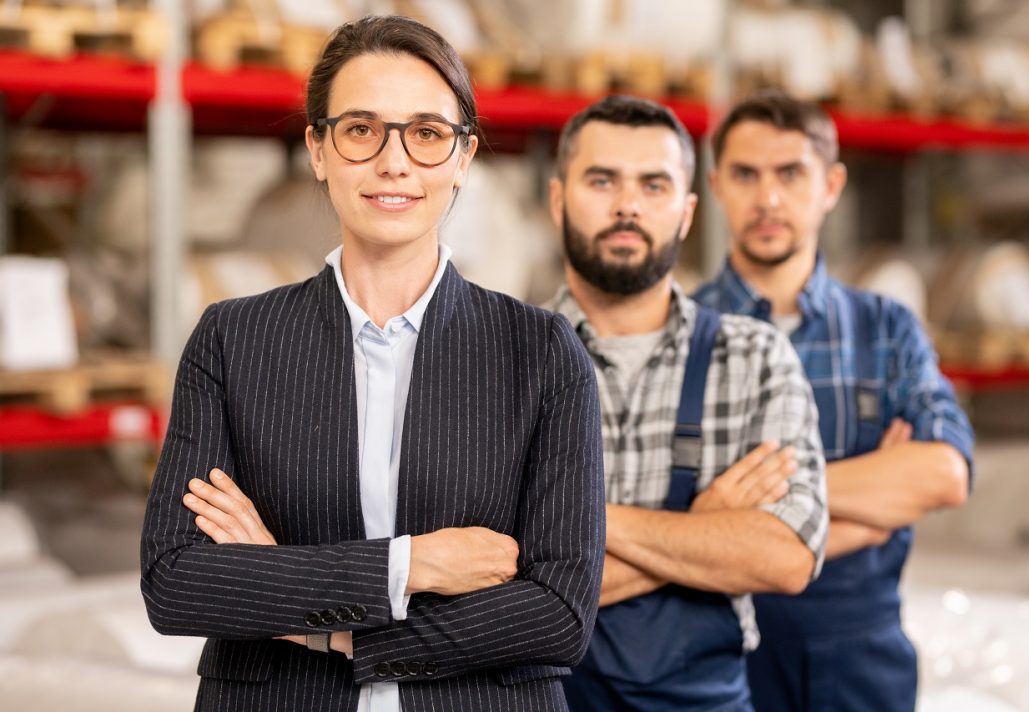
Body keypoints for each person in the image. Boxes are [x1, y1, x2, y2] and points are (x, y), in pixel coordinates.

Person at [140, 16, 605, 712]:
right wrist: (411, 565)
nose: (394, 162)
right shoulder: (234, 340)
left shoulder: (540, 352)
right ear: (318, 150)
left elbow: (559, 614)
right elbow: (177, 582)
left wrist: (318, 620)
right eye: (361, 130)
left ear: (463, 157)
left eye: (427, 133)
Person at [544, 95, 828, 711]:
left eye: (654, 185)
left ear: (687, 212)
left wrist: (576, 526)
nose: (628, 205)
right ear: (558, 198)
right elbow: (486, 590)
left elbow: (786, 556)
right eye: (602, 181)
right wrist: (704, 528)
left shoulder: (754, 357)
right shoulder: (503, 361)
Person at [694, 89, 974, 711]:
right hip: (721, 653)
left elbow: (944, 474)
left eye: (790, 173)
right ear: (715, 186)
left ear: (831, 185)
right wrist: (873, 503)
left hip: (861, 661)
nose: (768, 198)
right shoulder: (683, 333)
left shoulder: (886, 329)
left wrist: (749, 496)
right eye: (746, 174)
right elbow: (670, 515)